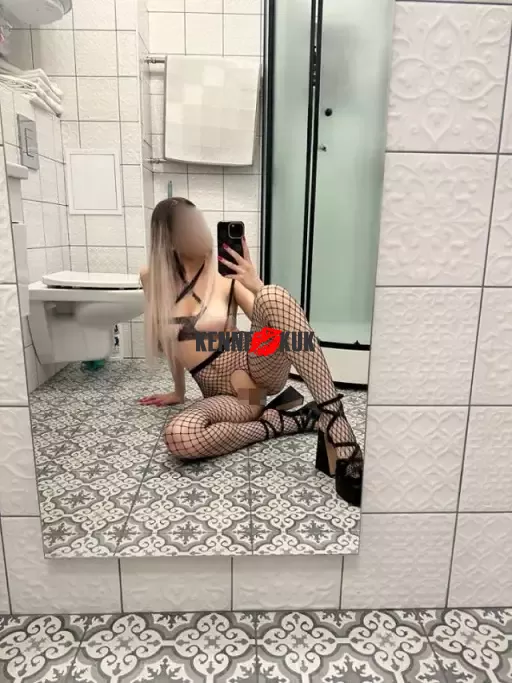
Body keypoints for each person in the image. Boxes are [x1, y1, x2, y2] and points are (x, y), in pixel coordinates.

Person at [139, 197, 363, 506]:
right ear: (169, 238)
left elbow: (282, 319)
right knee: (180, 436)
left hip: (255, 373)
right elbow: (171, 343)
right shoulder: (151, 277)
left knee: (272, 294)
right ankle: (289, 422)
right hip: (228, 397)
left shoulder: (225, 278)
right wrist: (179, 391)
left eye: (199, 223)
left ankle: (335, 420)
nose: (200, 232)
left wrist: (255, 283)